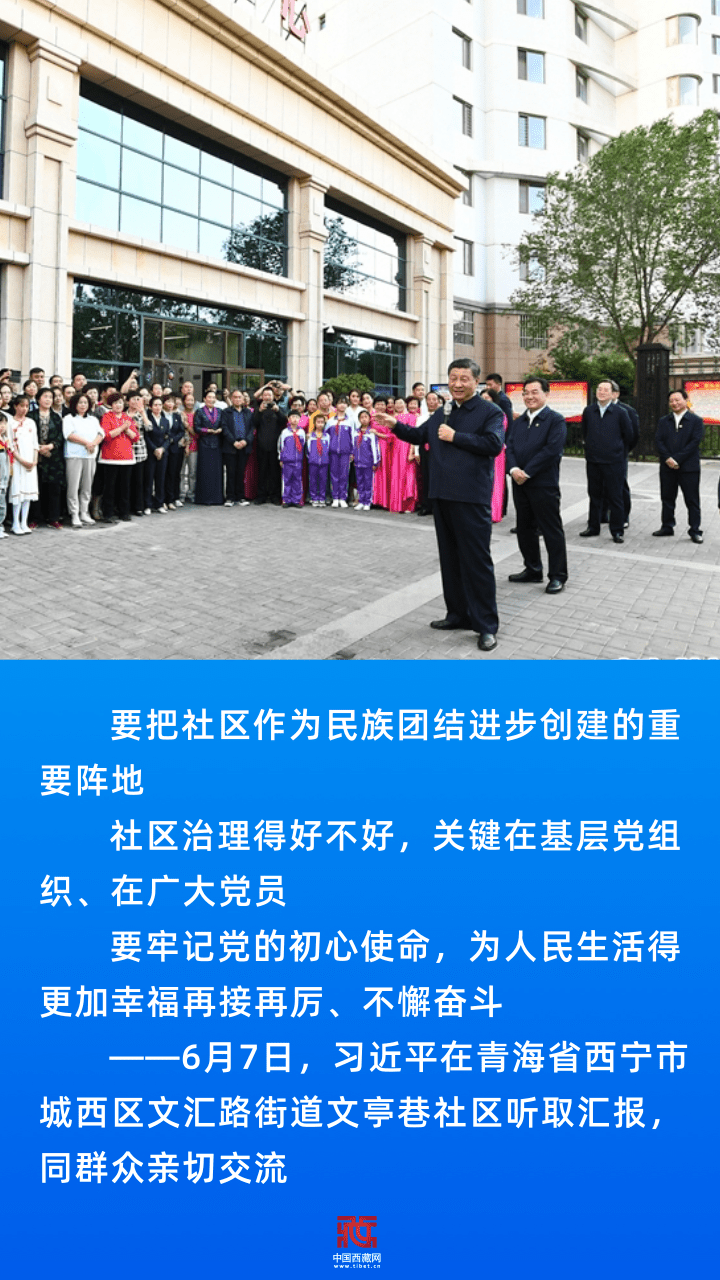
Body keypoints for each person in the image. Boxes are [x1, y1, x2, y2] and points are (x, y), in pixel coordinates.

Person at [378, 358, 504, 651]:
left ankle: (486, 625)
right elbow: (420, 435)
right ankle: (457, 614)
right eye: (453, 378)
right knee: (450, 559)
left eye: (464, 379)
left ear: (476, 382)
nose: (457, 384)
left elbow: (493, 444)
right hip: (442, 495)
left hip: (471, 498)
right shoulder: (444, 411)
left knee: (476, 562)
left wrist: (456, 436)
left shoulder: (490, 412)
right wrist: (396, 425)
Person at [505, 377, 568, 594]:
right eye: (526, 393)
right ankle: (532, 569)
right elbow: (509, 448)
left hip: (543, 484)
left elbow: (551, 451)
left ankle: (558, 575)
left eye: (534, 392)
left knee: (551, 530)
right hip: (519, 483)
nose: (529, 397)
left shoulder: (555, 420)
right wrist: (514, 470)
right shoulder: (518, 421)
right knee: (525, 529)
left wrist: (527, 472)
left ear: (546, 394)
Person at [579, 379, 634, 544]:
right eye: (599, 389)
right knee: (594, 495)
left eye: (605, 390)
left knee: (615, 497)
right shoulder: (589, 411)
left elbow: (629, 436)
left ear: (613, 394)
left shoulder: (620, 412)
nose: (601, 392)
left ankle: (617, 531)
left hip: (614, 462)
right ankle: (593, 527)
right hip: (593, 461)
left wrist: (618, 452)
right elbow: (585, 432)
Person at [653, 388, 704, 543]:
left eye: (677, 400)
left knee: (692, 500)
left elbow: (694, 443)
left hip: (689, 468)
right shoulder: (664, 421)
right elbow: (658, 441)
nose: (674, 403)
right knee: (667, 498)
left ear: (685, 400)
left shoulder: (696, 421)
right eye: (671, 401)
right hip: (667, 467)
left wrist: (677, 459)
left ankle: (695, 530)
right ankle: (667, 526)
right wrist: (668, 458)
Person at [63, 391, 104, 527]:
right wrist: (87, 443)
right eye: (80, 402)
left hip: (90, 456)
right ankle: (74, 514)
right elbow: (69, 435)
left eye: (85, 402)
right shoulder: (69, 418)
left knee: (87, 486)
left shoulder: (93, 419)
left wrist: (93, 444)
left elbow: (101, 433)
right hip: (74, 455)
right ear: (74, 404)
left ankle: (84, 512)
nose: (83, 405)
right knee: (73, 486)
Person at [98, 391, 138, 523]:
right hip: (110, 457)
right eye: (115, 403)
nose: (118, 405)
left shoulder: (128, 418)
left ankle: (124, 512)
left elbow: (135, 437)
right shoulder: (106, 416)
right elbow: (107, 435)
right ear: (111, 404)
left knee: (125, 487)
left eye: (120, 403)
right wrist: (122, 428)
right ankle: (108, 513)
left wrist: (127, 429)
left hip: (126, 458)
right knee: (109, 487)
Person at [32, 387, 65, 528]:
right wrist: (39, 448)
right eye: (45, 396)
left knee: (54, 489)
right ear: (38, 399)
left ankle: (53, 518)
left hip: (53, 457)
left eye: (50, 397)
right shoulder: (31, 416)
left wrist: (50, 446)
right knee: (36, 488)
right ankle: (34, 518)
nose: (48, 400)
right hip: (35, 456)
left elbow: (60, 436)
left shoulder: (56, 417)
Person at [8, 395, 39, 534]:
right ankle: (15, 523)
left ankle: (24, 522)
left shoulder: (31, 422)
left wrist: (34, 460)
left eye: (26, 406)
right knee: (18, 491)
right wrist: (21, 460)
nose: (24, 409)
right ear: (15, 406)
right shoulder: (10, 423)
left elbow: (35, 443)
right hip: (17, 461)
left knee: (28, 492)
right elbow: (10, 445)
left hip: (30, 461)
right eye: (21, 406)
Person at [220, 388, 254, 506]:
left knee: (241, 473)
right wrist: (233, 442)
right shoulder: (226, 412)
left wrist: (246, 441)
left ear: (243, 399)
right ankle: (230, 497)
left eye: (240, 397)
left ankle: (240, 497)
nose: (237, 399)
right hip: (231, 446)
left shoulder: (248, 412)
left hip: (244, 446)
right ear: (231, 398)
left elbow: (252, 429)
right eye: (235, 397)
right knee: (230, 473)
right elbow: (224, 428)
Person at [253, 387, 286, 504]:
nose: (267, 397)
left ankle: (275, 496)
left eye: (269, 395)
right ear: (262, 397)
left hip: (274, 446)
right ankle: (261, 496)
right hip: (261, 445)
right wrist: (259, 411)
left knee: (274, 472)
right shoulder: (257, 409)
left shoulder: (278, 408)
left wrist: (278, 411)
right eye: (265, 395)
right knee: (261, 472)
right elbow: (254, 423)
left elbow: (284, 422)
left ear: (273, 397)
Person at [481, 388, 508, 524]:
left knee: (495, 482)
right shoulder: (479, 414)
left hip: (495, 452)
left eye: (487, 398)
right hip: (481, 451)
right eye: (482, 398)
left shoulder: (499, 414)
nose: (484, 401)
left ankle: (494, 513)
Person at [194, 389, 224, 505]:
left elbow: (224, 424)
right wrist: (208, 430)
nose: (211, 399)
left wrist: (220, 429)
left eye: (213, 397)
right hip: (204, 444)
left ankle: (217, 498)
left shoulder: (220, 411)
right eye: (209, 397)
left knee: (216, 471)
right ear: (204, 399)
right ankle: (204, 498)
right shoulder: (200, 411)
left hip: (217, 444)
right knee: (205, 471)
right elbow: (197, 427)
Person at [144, 395, 170, 514]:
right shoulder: (148, 419)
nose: (158, 407)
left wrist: (162, 449)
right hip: (151, 453)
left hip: (162, 453)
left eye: (160, 405)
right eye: (155, 405)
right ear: (150, 407)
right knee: (149, 480)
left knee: (161, 479)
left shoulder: (165, 420)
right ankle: (148, 505)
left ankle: (159, 503)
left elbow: (168, 437)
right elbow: (146, 437)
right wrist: (155, 449)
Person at [126, 391, 150, 516]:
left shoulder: (142, 414)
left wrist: (143, 413)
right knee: (126, 481)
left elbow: (149, 428)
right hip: (125, 451)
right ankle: (126, 507)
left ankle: (138, 507)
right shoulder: (123, 414)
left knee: (139, 481)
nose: (136, 402)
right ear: (127, 401)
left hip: (139, 451)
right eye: (133, 399)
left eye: (138, 399)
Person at [161, 393, 185, 510]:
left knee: (173, 474)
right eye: (168, 401)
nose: (170, 404)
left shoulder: (176, 416)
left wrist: (172, 439)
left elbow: (181, 431)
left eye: (172, 402)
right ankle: (162, 500)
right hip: (162, 448)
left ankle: (171, 499)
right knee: (163, 474)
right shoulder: (160, 414)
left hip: (175, 448)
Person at [352, 409, 380, 510]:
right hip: (358, 462)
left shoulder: (371, 433)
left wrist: (375, 462)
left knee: (368, 482)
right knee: (360, 482)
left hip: (368, 462)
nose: (364, 419)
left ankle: (367, 502)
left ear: (369, 419)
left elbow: (375, 448)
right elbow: (353, 446)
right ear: (359, 419)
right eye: (362, 417)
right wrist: (353, 456)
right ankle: (361, 501)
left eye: (366, 417)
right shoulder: (356, 432)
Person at [327, 399, 353, 507]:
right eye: (340, 403)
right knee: (334, 474)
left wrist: (352, 452)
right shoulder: (330, 421)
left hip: (345, 452)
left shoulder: (350, 421)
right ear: (336, 405)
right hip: (333, 452)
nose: (342, 405)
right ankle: (335, 497)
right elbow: (326, 437)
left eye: (344, 403)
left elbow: (353, 437)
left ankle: (343, 497)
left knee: (344, 474)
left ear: (347, 405)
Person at [278, 410, 306, 507]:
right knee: (287, 480)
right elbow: (281, 446)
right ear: (289, 419)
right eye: (293, 417)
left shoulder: (302, 432)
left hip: (298, 460)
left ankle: (296, 500)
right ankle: (286, 499)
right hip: (287, 461)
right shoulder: (285, 432)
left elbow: (303, 445)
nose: (295, 419)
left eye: (297, 417)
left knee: (297, 480)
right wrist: (281, 458)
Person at [306, 413, 330, 506]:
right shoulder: (310, 436)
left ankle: (322, 497)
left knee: (323, 480)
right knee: (313, 480)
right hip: (313, 462)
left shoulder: (327, 436)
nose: (320, 424)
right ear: (314, 423)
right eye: (318, 422)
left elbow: (328, 449)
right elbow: (308, 449)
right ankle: (314, 497)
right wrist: (312, 458)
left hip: (324, 462)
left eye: (322, 422)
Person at [179, 391, 197, 504]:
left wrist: (188, 427)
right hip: (182, 446)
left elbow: (196, 433)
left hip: (194, 446)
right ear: (184, 402)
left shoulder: (197, 414)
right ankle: (181, 494)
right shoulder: (180, 414)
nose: (190, 402)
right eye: (188, 400)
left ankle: (191, 493)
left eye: (192, 400)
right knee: (181, 472)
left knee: (192, 472)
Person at [0, 409, 9, 537]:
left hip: (4, 477)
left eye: (4, 423)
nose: (2, 426)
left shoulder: (5, 439)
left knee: (2, 503)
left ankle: (0, 525)